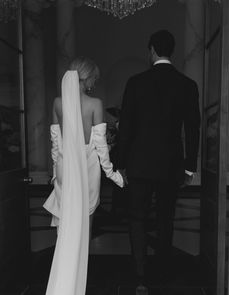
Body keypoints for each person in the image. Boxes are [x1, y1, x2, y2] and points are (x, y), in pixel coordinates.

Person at [116, 30, 200, 294]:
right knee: (166, 218)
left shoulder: (135, 82)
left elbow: (126, 127)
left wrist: (120, 163)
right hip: (171, 164)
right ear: (170, 51)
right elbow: (193, 128)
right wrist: (190, 167)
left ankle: (140, 275)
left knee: (137, 218)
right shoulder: (187, 85)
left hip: (139, 164)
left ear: (151, 50)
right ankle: (163, 270)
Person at [43, 57, 124, 295]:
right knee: (84, 224)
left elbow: (56, 143)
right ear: (87, 79)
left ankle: (64, 279)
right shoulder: (95, 104)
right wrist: (113, 175)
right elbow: (101, 148)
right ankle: (77, 280)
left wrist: (56, 174)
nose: (94, 84)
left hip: (65, 169)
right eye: (94, 79)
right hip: (86, 169)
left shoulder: (58, 103)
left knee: (67, 222)